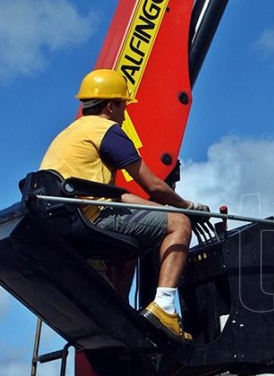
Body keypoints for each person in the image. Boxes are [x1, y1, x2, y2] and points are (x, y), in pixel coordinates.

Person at [39, 68, 209, 342]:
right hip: (91, 218)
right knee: (178, 223)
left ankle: (117, 313)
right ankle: (164, 306)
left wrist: (159, 209)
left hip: (66, 221)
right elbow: (152, 185)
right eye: (124, 105)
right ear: (111, 105)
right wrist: (185, 207)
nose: (125, 112)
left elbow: (116, 195)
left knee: (129, 245)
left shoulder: (70, 134)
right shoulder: (107, 131)